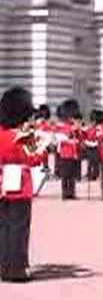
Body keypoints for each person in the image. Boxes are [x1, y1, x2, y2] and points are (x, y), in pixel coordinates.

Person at [0, 87, 48, 282]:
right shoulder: (22, 137)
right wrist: (43, 147)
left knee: (3, 226)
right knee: (19, 227)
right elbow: (34, 159)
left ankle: (3, 265)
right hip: (19, 184)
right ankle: (17, 268)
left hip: (1, 182)